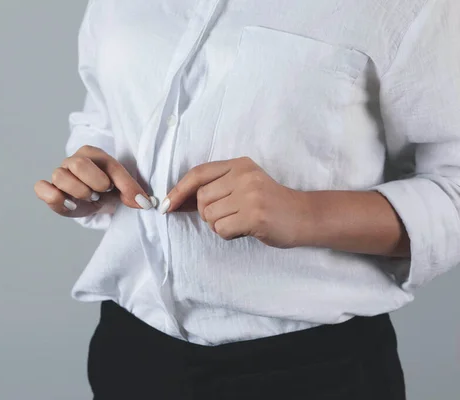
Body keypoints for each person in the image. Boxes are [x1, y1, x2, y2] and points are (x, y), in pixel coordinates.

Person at [34, 1, 460, 399]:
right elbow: (104, 118)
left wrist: (306, 213)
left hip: (313, 371)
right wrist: (89, 183)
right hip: (131, 354)